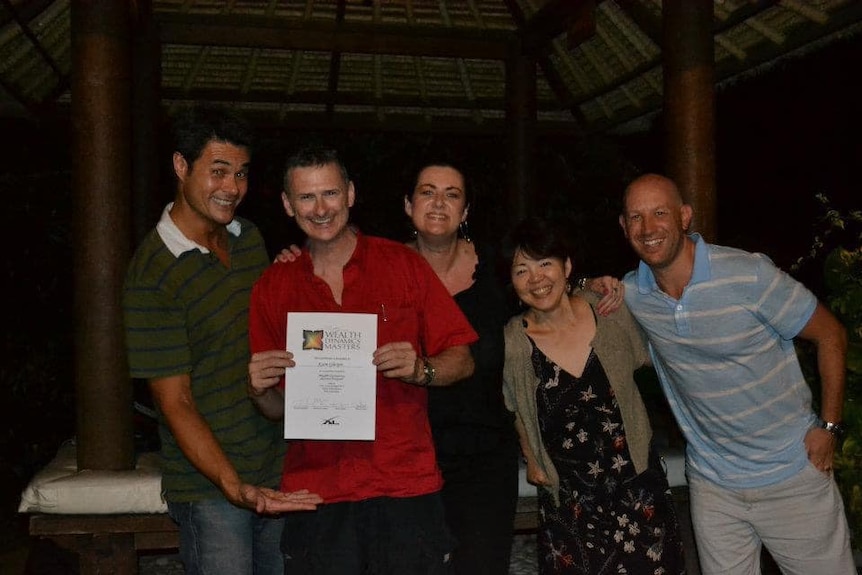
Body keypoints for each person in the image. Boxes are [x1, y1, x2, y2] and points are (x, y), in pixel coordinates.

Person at [246, 145, 479, 574]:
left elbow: (462, 360)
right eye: (306, 197)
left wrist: (420, 369)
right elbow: (278, 409)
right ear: (287, 204)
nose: (320, 209)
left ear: (351, 194)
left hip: (403, 484)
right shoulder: (273, 287)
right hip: (316, 492)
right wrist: (259, 389)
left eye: (330, 194)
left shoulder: (403, 265)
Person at [618, 173, 855, 574]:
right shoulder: (633, 294)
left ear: (684, 217)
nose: (648, 228)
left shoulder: (748, 275)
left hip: (791, 473)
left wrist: (829, 428)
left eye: (659, 213)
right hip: (714, 486)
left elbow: (830, 334)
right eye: (636, 217)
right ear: (624, 228)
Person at [122, 106, 322, 575]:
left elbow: (268, 328)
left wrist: (289, 273)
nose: (232, 187)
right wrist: (233, 486)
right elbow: (176, 403)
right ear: (180, 166)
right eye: (217, 171)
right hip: (211, 488)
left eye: (241, 173)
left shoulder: (248, 237)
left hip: (276, 463)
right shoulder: (151, 274)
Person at [403, 159, 626, 574]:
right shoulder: (384, 271)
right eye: (426, 191)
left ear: (465, 211)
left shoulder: (494, 271)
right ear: (408, 204)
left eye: (452, 194)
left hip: (484, 460)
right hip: (406, 454)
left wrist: (587, 285)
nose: (438, 202)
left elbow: (541, 287)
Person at [501, 215, 686, 575]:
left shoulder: (609, 311)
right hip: (570, 505)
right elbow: (515, 405)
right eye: (521, 270)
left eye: (545, 264)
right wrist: (531, 456)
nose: (536, 278)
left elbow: (665, 353)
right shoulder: (513, 342)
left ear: (567, 266)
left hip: (637, 492)